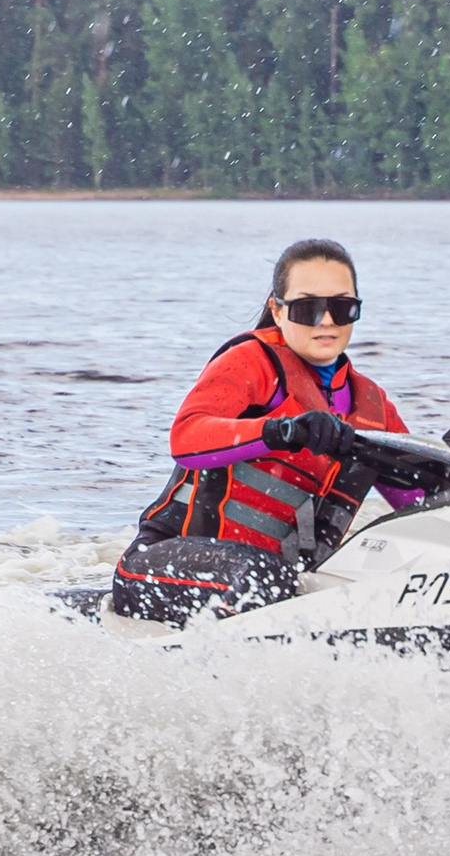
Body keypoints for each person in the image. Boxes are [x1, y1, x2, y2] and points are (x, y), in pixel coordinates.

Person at [112, 238, 411, 625]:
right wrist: (282, 430)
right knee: (265, 575)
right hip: (162, 565)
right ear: (278, 309)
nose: (326, 321)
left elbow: (420, 497)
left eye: (341, 307)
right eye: (307, 308)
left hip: (282, 583)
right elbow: (186, 438)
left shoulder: (373, 407)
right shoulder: (251, 363)